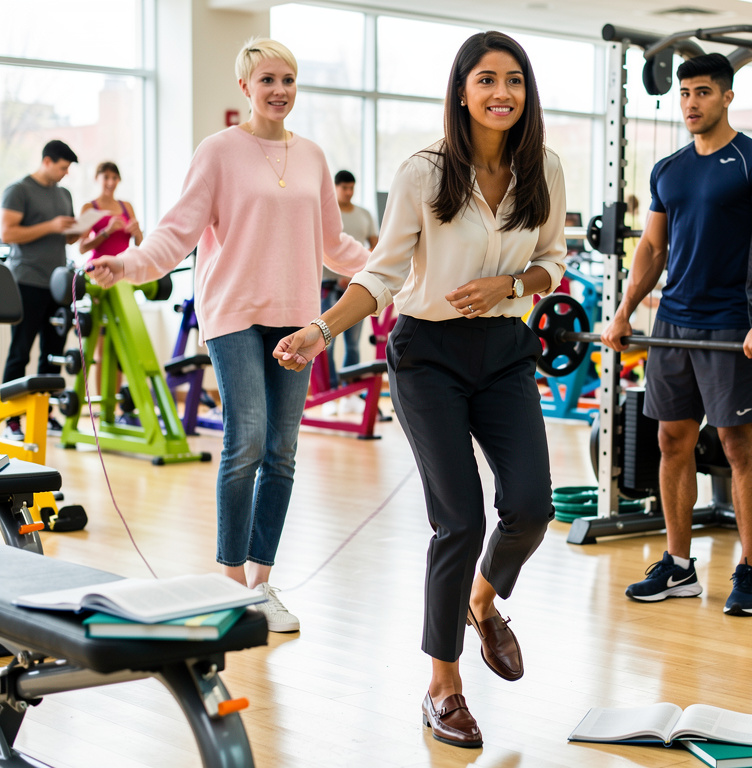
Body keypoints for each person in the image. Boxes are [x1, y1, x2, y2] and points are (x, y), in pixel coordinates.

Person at [274, 30, 566, 748]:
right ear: (461, 91)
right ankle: (443, 687)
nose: (502, 93)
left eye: (514, 80)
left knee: (531, 507)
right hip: (428, 354)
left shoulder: (544, 168)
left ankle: (481, 600)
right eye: (486, 79)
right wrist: (320, 329)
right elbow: (381, 273)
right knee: (458, 520)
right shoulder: (424, 173)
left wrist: (511, 283)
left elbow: (553, 260)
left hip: (505, 351)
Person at [86, 38, 370, 632]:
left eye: (288, 79)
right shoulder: (217, 152)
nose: (279, 90)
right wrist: (128, 264)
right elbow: (177, 233)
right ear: (245, 87)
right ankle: (229, 582)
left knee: (282, 453)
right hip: (234, 313)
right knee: (248, 440)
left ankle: (262, 584)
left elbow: (334, 244)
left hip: (297, 317)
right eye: (267, 80)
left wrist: (394, 268)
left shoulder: (312, 156)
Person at [601, 53, 752, 617]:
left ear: (727, 97)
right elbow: (652, 247)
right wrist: (624, 312)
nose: (691, 103)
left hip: (731, 322)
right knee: (671, 440)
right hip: (673, 323)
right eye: (685, 93)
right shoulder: (669, 169)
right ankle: (679, 565)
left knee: (738, 444)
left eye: (703, 92)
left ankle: (749, 570)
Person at [1, 139, 81, 440]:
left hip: (58, 284)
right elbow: (7, 232)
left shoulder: (64, 194)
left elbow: (67, 237)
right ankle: (11, 420)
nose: (66, 173)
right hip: (27, 281)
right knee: (20, 351)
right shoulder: (19, 190)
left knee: (53, 353)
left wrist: (80, 229)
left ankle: (44, 414)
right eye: (62, 167)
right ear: (47, 161)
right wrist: (51, 225)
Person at [78, 162, 145, 395]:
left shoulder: (126, 207)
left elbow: (139, 244)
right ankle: (101, 402)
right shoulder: (90, 207)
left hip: (124, 277)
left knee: (121, 344)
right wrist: (106, 231)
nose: (110, 182)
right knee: (103, 342)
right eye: (105, 177)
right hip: (99, 275)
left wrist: (138, 233)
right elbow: (81, 246)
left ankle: (115, 403)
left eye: (114, 178)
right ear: (97, 178)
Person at [321, 170, 378, 401]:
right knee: (327, 342)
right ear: (335, 187)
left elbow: (376, 247)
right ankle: (331, 394)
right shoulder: (327, 213)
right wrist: (341, 273)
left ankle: (350, 393)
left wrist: (355, 272)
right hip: (329, 285)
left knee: (353, 344)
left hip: (357, 283)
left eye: (352, 188)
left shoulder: (364, 214)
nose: (348, 192)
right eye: (344, 188)